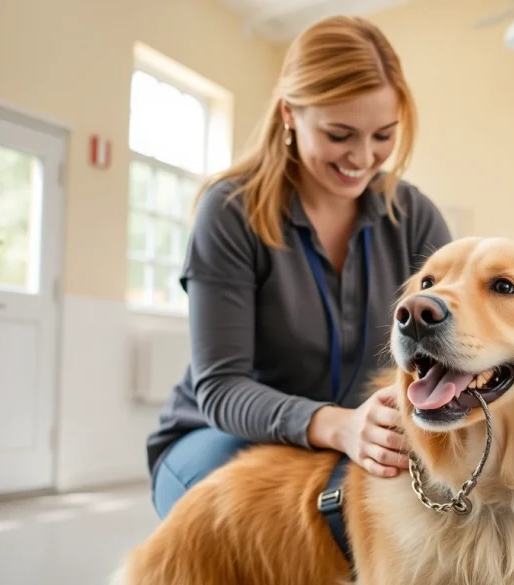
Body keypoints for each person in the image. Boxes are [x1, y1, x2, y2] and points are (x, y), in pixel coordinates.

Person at [145, 15, 453, 519]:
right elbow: (221, 389)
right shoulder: (230, 211)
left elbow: (454, 340)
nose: (363, 156)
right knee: (254, 515)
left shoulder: (413, 217)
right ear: (290, 114)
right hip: (219, 437)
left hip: (349, 444)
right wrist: (339, 426)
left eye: (383, 135)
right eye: (340, 134)